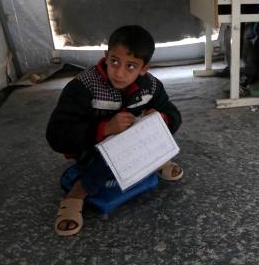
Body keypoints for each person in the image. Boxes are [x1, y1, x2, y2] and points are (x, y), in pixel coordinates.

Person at [47, 25, 182, 236]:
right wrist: (105, 128)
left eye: (130, 66)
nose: (119, 72)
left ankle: (157, 160)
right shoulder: (83, 87)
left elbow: (173, 115)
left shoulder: (152, 87)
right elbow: (57, 135)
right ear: (106, 56)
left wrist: (161, 119)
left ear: (144, 69)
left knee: (155, 125)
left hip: (134, 145)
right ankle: (77, 193)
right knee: (114, 149)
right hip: (91, 150)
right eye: (114, 61)